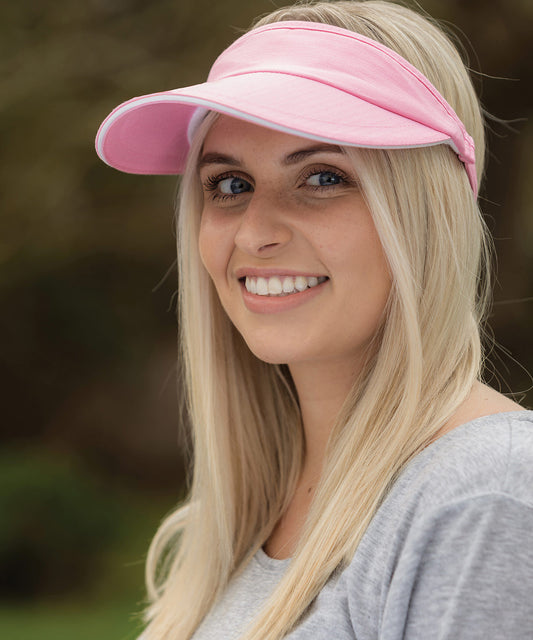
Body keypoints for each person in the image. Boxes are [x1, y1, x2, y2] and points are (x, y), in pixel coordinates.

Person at [95, 1, 533, 638]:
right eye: (230, 185)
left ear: (425, 207)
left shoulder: (486, 493)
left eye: (322, 177)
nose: (256, 233)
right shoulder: (240, 519)